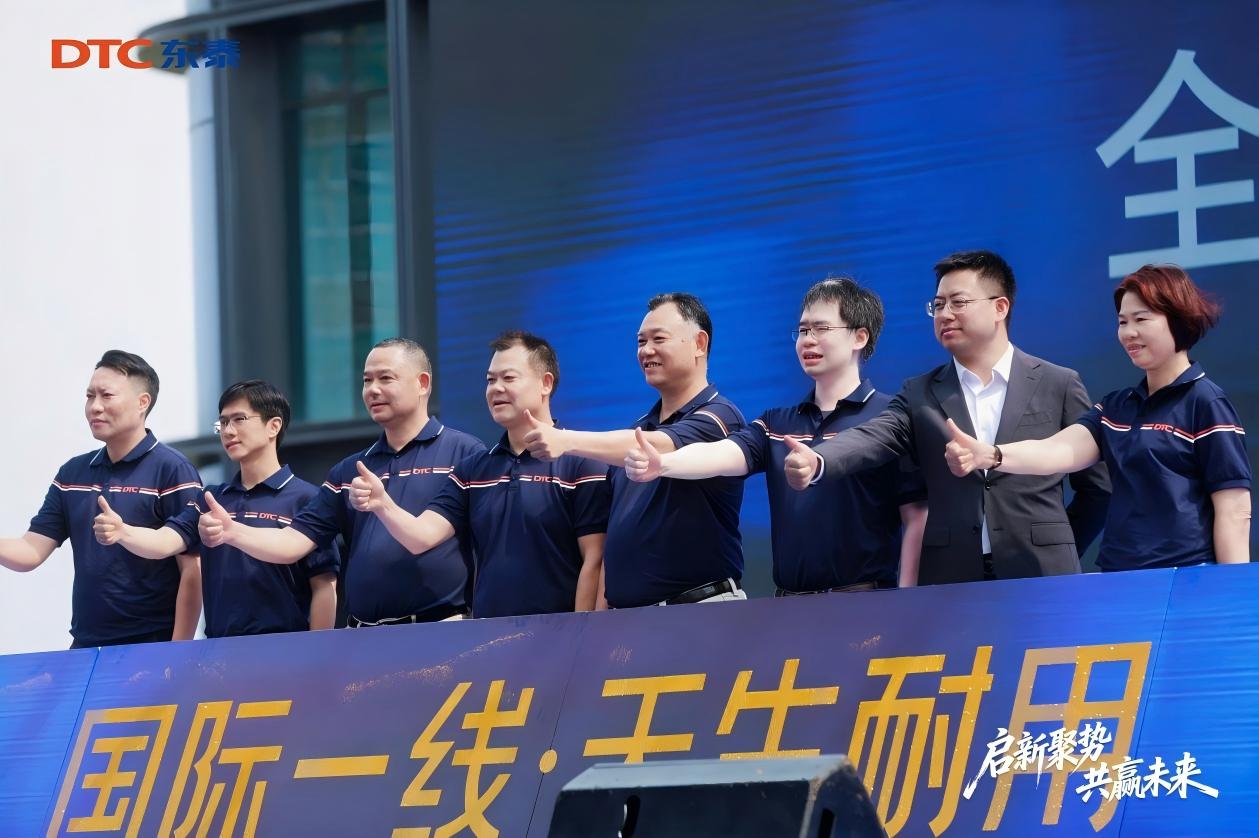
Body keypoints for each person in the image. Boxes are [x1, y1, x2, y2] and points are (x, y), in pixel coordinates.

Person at [785, 251, 1110, 584]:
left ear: (1000, 307)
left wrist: (1057, 546)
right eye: (938, 305)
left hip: (1042, 575)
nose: (945, 314)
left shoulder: (1058, 383)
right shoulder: (920, 392)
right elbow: (874, 435)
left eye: (959, 302)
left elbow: (1098, 488)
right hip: (952, 578)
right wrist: (820, 460)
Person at [625, 278, 929, 590]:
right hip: (790, 605)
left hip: (868, 602)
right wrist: (665, 463)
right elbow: (724, 453)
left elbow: (916, 518)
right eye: (803, 330)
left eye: (821, 329)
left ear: (859, 337)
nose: (808, 340)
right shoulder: (778, 424)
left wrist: (906, 600)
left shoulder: (889, 418)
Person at [944, 264, 1250, 569]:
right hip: (1119, 576)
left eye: (1141, 319)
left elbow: (1234, 510)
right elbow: (1057, 450)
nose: (1129, 333)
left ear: (1178, 319)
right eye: (1122, 322)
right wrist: (991, 455)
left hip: (1187, 576)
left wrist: (1231, 592)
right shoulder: (1117, 407)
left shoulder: (1206, 402)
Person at [198, 339, 486, 626]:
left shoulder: (464, 453)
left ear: (422, 383)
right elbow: (293, 542)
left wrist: (383, 505)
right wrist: (231, 532)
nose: (373, 389)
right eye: (366, 380)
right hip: (363, 635)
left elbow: (441, 540)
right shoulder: (349, 471)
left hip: (440, 630)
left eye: (386, 378)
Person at [349, 332, 609, 617]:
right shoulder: (473, 469)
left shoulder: (582, 464)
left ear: (545, 383)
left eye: (508, 378)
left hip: (560, 632)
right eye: (490, 380)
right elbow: (421, 537)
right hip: (487, 636)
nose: (496, 388)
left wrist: (580, 633)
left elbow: (594, 559)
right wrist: (383, 505)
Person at [522, 293, 747, 607]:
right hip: (630, 619)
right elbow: (617, 537)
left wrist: (566, 440)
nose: (646, 350)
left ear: (699, 343)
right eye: (641, 341)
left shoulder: (719, 417)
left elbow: (658, 446)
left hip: (699, 610)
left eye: (659, 339)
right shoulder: (637, 430)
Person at [95, 380, 340, 636]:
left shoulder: (308, 498)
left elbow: (324, 585)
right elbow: (165, 541)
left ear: (273, 426)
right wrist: (123, 532)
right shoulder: (212, 498)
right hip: (219, 649)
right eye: (223, 423)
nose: (228, 431)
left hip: (285, 646)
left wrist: (314, 651)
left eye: (239, 419)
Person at [0, 350, 203, 647]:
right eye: (89, 396)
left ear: (142, 403)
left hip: (151, 645)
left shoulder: (173, 470)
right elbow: (31, 550)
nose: (95, 406)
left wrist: (178, 652)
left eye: (107, 395)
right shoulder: (73, 473)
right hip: (85, 645)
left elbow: (192, 569)